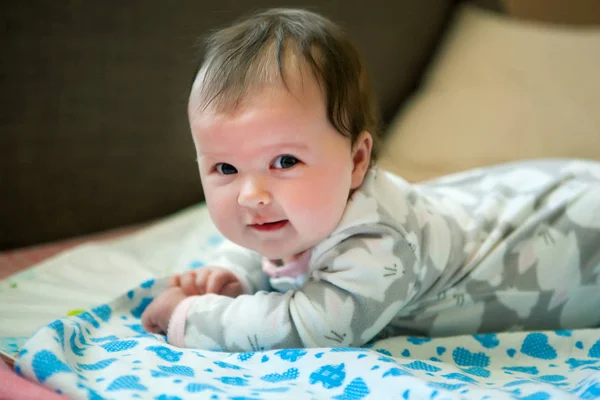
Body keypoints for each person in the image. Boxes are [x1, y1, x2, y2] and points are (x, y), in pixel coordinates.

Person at [141, 8, 600, 351]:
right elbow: (263, 245)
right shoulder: (302, 207)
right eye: (225, 168)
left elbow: (312, 327)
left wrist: (191, 317)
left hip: (573, 238)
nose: (253, 195)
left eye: (284, 162)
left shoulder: (379, 244)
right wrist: (233, 273)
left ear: (357, 160)